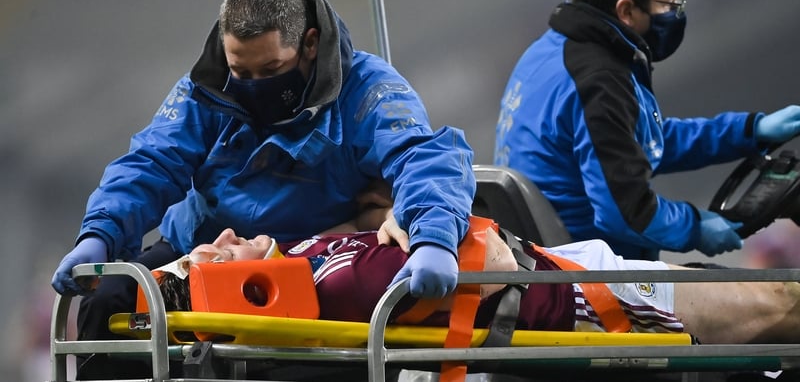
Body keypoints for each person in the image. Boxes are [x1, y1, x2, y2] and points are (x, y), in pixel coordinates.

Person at [50, 0, 475, 378]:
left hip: (313, 261)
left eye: (271, 71)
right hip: (201, 250)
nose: (253, 87)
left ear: (309, 44)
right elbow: (152, 161)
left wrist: (434, 238)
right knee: (109, 302)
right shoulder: (206, 89)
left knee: (319, 355)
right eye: (242, 72)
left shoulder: (367, 90)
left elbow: (421, 157)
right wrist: (101, 233)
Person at [493, 0, 800, 260]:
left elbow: (635, 144)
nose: (677, 15)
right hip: (593, 275)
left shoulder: (549, 52)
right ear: (626, 10)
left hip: (553, 263)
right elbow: (626, 212)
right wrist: (696, 227)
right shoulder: (598, 80)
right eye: (671, 5)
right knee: (782, 302)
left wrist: (750, 130)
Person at [157, 222, 800, 346]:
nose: (210, 245)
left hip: (567, 264)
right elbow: (486, 264)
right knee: (783, 304)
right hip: (586, 300)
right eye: (202, 262)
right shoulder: (336, 295)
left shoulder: (306, 257)